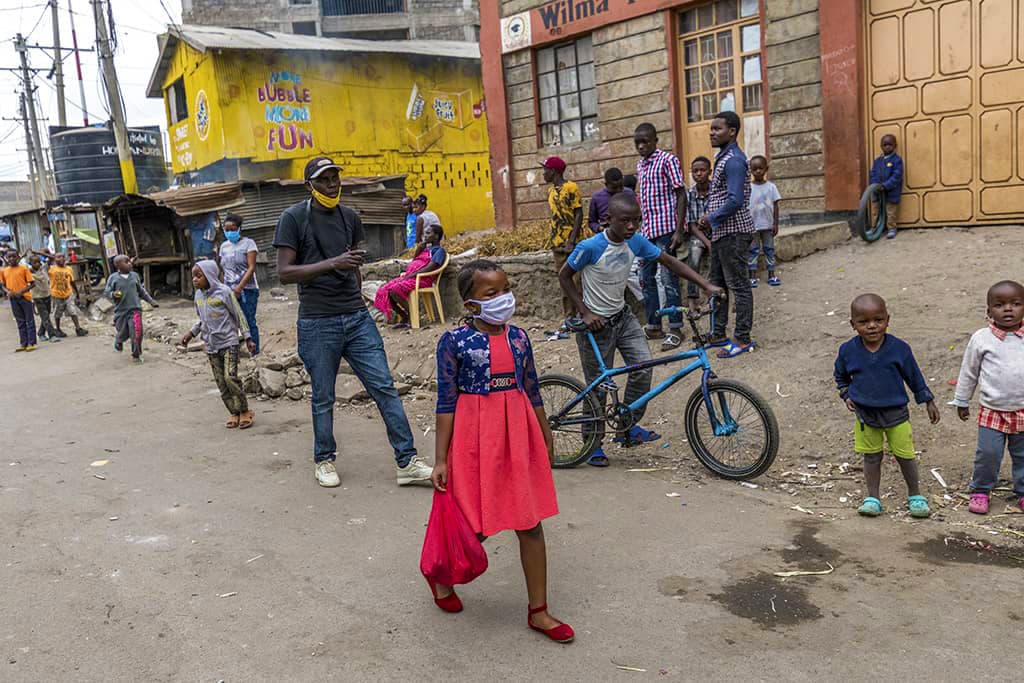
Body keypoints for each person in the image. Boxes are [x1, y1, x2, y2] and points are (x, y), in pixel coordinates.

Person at [429, 259, 573, 644]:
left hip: (517, 433)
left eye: (505, 289)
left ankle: (538, 611)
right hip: (475, 441)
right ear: (470, 303)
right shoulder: (454, 342)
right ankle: (440, 576)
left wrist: (545, 435)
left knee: (530, 522)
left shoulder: (520, 338)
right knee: (473, 526)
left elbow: (533, 390)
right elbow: (446, 403)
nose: (503, 298)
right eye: (491, 293)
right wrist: (441, 459)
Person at [273, 156, 432, 489]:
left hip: (356, 317)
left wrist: (356, 292)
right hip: (317, 321)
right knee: (323, 396)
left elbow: (354, 264)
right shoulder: (293, 219)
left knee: (384, 387)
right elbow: (285, 272)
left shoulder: (350, 217)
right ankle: (324, 460)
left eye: (335, 178)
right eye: (324, 179)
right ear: (309, 186)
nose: (332, 184)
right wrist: (334, 263)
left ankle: (407, 461)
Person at [560, 192, 722, 467]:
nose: (632, 227)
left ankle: (626, 426)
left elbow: (669, 261)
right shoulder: (590, 247)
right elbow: (564, 276)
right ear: (607, 220)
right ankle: (592, 443)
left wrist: (705, 285)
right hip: (595, 326)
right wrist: (585, 312)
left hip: (623, 318)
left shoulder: (634, 241)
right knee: (599, 385)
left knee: (643, 367)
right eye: (625, 221)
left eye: (637, 220)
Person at [834, 294, 940, 519]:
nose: (872, 326)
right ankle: (873, 498)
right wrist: (846, 394)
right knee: (871, 457)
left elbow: (914, 377)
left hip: (897, 415)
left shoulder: (899, 349)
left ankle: (915, 495)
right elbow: (840, 376)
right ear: (853, 324)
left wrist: (928, 400)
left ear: (887, 320)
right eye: (863, 322)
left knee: (905, 456)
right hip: (865, 416)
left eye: (878, 320)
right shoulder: (847, 351)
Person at [950, 280, 1024, 515]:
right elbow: (969, 371)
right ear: (988, 311)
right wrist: (962, 400)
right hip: (993, 410)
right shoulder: (982, 339)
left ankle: (1022, 492)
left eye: (1016, 303)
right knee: (988, 454)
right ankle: (981, 490)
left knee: (1023, 456)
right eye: (1000, 305)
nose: (1008, 309)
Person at [697, 111, 757, 359]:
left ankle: (742, 339)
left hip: (734, 233)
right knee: (717, 284)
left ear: (731, 132)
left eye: (717, 129)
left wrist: (709, 218)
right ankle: (718, 333)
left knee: (739, 286)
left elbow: (735, 200)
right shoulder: (723, 158)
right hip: (723, 233)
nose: (712, 132)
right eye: (711, 129)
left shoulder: (733, 160)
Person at [180, 259, 257, 430]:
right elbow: (202, 320)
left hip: (229, 342)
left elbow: (239, 315)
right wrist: (191, 334)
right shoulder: (198, 296)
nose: (195, 280)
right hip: (211, 345)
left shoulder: (224, 292)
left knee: (230, 378)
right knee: (221, 383)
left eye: (199, 276)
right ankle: (234, 412)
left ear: (210, 276)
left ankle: (245, 410)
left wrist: (248, 337)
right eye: (193, 276)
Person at [634, 122, 688, 349]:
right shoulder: (641, 165)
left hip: (666, 231)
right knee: (646, 279)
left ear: (656, 140)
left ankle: (675, 328)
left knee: (668, 279)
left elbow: (681, 194)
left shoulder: (668, 160)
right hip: (647, 232)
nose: (641, 146)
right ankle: (654, 325)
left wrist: (679, 229)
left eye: (645, 141)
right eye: (637, 143)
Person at [373, 224, 446, 327]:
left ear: (436, 236)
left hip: (423, 279)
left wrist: (413, 275)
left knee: (394, 290)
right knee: (385, 290)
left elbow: (431, 266)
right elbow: (414, 261)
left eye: (428, 233)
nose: (425, 235)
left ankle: (414, 315)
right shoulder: (425, 249)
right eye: (425, 233)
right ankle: (404, 317)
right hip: (411, 277)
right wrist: (418, 250)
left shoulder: (439, 251)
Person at [541, 156, 583, 320]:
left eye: (545, 170)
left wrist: (572, 240)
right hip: (557, 243)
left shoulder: (571, 187)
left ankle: (582, 314)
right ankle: (569, 317)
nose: (543, 173)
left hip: (573, 243)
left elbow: (578, 214)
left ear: (554, 171)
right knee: (564, 282)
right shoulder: (550, 191)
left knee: (577, 281)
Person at [218, 213, 261, 356]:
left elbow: (251, 267)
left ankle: (255, 354)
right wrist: (223, 287)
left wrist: (239, 287)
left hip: (247, 290)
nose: (229, 232)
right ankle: (233, 354)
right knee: (230, 322)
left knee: (248, 321)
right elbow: (223, 268)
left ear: (239, 229)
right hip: (228, 290)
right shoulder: (224, 246)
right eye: (226, 229)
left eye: (232, 229)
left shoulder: (249, 244)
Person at [103, 255, 159, 363]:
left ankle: (136, 354)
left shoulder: (134, 276)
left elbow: (141, 291)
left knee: (136, 332)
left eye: (129, 261)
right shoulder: (113, 278)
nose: (130, 263)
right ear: (117, 265)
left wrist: (151, 301)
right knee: (123, 332)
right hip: (121, 311)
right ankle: (119, 340)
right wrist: (113, 294)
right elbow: (106, 292)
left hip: (135, 309)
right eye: (126, 262)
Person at [747, 155, 783, 288]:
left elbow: (776, 206)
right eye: (754, 169)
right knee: (753, 250)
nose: (758, 171)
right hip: (752, 226)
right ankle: (752, 276)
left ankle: (771, 274)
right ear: (750, 170)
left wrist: (776, 223)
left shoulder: (771, 187)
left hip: (768, 226)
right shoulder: (748, 188)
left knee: (769, 249)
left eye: (760, 168)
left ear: (766, 169)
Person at [684, 156, 714, 313]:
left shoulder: (716, 191)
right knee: (694, 257)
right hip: (699, 235)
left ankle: (713, 298)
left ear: (710, 171)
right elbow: (691, 226)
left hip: (717, 232)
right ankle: (693, 300)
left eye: (702, 170)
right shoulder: (690, 194)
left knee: (718, 260)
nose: (699, 174)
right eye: (695, 171)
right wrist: (707, 243)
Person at [0, 250, 37, 351]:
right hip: (13, 299)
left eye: (14, 257)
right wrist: (7, 291)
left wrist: (21, 292)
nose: (11, 259)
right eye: (9, 257)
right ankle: (23, 343)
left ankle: (32, 342)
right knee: (20, 321)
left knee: (29, 321)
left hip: (25, 298)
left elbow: (32, 284)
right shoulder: (4, 271)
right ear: (6, 258)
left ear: (18, 257)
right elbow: (2, 285)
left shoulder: (24, 269)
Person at [870, 134, 903, 240]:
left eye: (890, 145)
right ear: (881, 146)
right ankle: (875, 227)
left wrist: (886, 185)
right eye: (885, 145)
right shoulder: (877, 161)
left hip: (891, 190)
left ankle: (892, 228)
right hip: (877, 191)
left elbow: (897, 175)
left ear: (895, 146)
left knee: (890, 211)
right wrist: (875, 185)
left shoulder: (897, 160)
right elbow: (873, 174)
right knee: (875, 210)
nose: (887, 147)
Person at [48, 253, 88, 337]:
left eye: (63, 257)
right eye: (59, 257)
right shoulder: (51, 269)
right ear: (54, 259)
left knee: (72, 310)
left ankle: (78, 328)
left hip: (68, 294)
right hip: (56, 295)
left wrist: (76, 292)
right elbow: (47, 259)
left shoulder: (69, 269)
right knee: (58, 313)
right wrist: (52, 257)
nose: (61, 258)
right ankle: (58, 329)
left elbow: (71, 281)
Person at [587, 167, 635, 233]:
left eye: (621, 186)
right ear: (606, 185)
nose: (618, 190)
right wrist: (600, 228)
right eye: (614, 188)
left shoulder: (629, 193)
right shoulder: (597, 198)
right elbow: (592, 222)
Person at [28, 255, 60, 343]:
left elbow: (52, 258)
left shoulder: (44, 269)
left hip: (47, 295)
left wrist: (36, 252)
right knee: (45, 316)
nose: (37, 264)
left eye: (38, 262)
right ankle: (52, 335)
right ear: (30, 263)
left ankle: (41, 333)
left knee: (46, 316)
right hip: (38, 298)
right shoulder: (28, 272)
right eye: (34, 262)